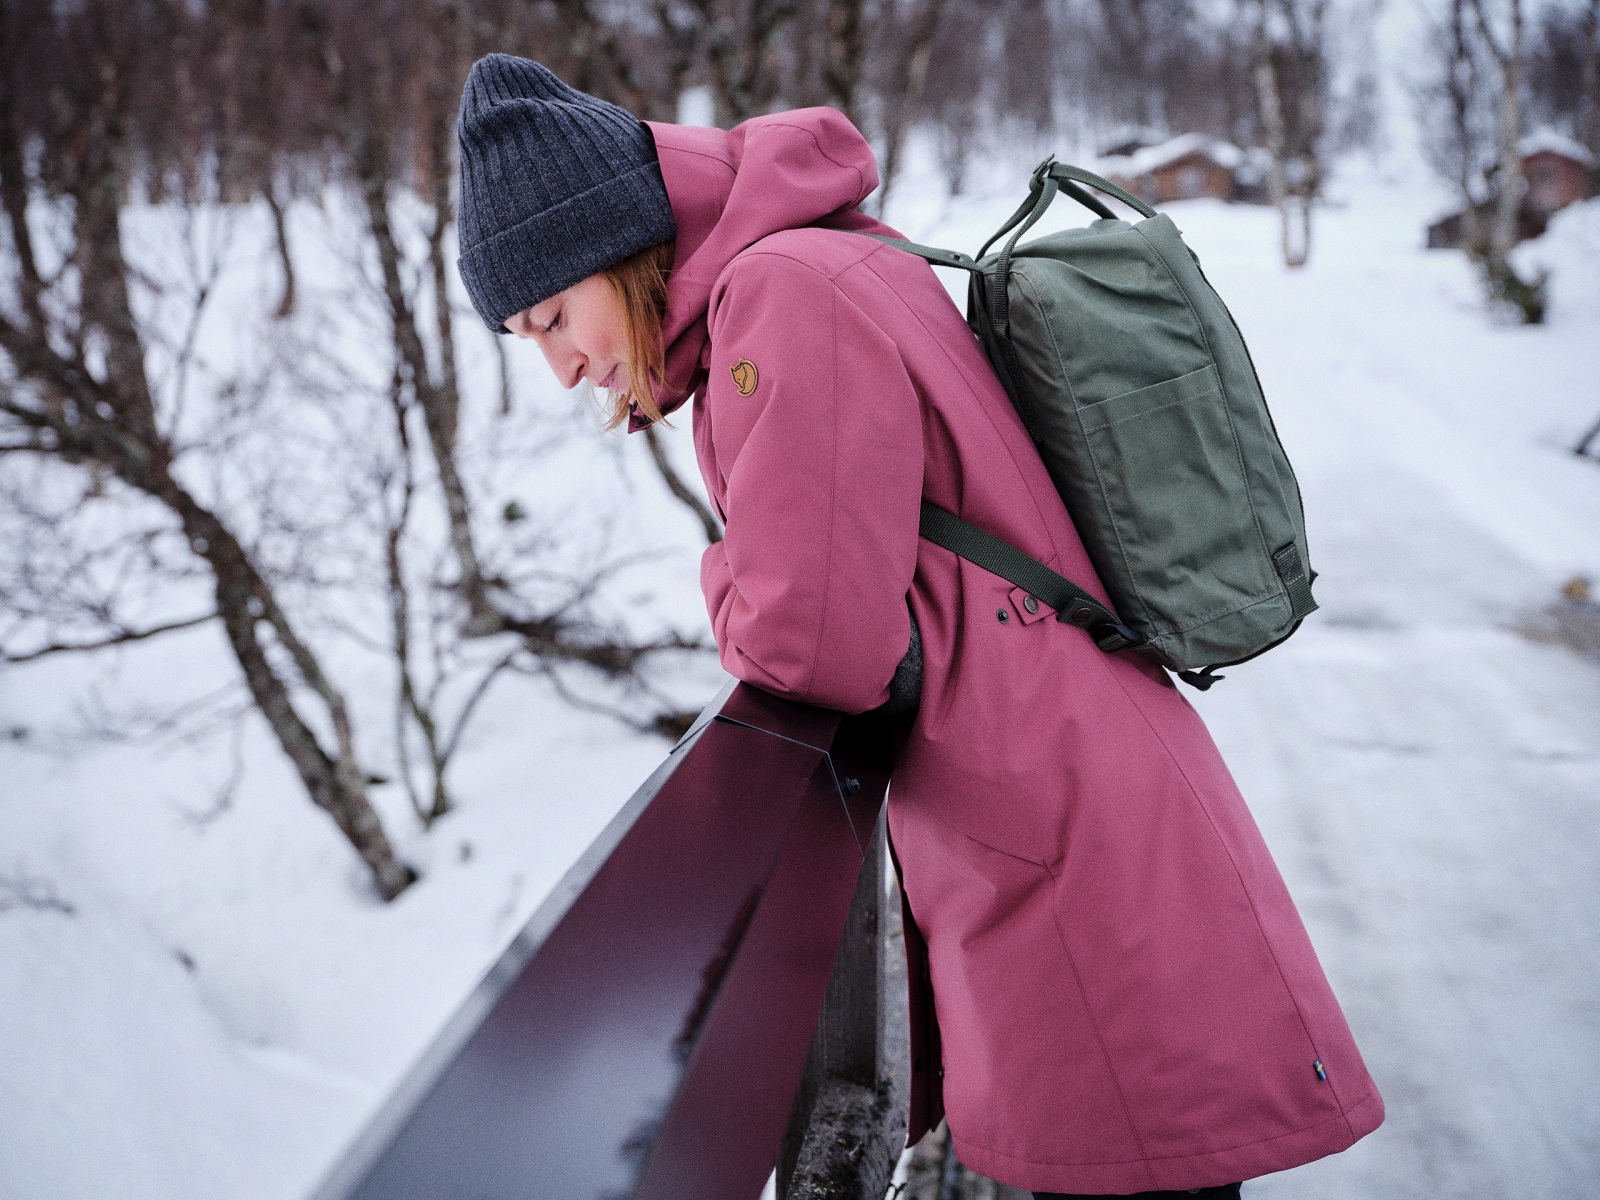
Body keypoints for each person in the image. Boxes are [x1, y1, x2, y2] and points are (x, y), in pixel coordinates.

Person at [454, 53, 1384, 1199]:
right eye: (524, 337)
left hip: (1069, 847)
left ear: (628, 249)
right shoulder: (816, 260)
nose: (558, 368)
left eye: (554, 315)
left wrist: (718, 571)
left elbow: (808, 644)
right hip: (1070, 805)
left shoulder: (776, 293)